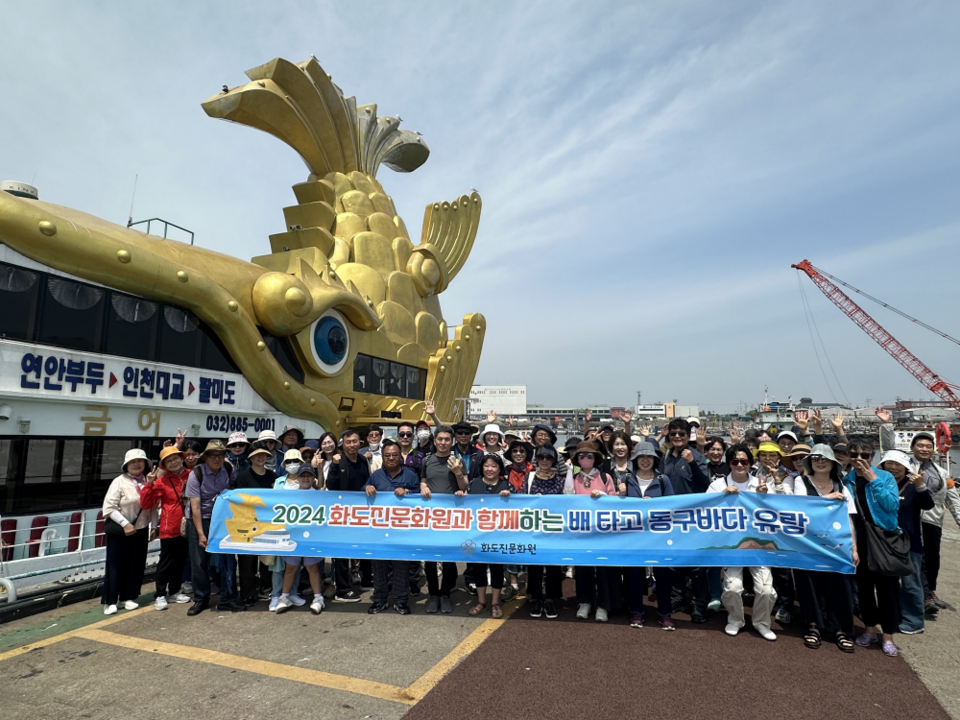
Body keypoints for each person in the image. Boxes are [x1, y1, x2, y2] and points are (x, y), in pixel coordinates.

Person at [879, 412, 952, 617]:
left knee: (932, 559)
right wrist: (886, 425)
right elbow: (888, 450)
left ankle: (929, 593)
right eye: (920, 445)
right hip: (907, 521)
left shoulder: (941, 471)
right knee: (911, 562)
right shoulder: (903, 465)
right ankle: (920, 596)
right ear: (912, 448)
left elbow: (950, 496)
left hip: (932, 519)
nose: (924, 449)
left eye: (929, 446)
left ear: (934, 449)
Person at [708, 443, 778, 641]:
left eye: (744, 461)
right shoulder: (718, 485)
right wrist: (721, 497)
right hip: (731, 545)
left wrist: (765, 496)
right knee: (732, 587)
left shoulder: (761, 483)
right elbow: (704, 510)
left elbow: (778, 512)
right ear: (729, 463)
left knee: (766, 589)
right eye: (735, 461)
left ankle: (762, 622)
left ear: (750, 463)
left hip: (759, 544)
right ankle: (735, 619)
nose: (740, 465)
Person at [793, 444, 858, 653]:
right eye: (815, 459)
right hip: (808, 543)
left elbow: (849, 517)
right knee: (809, 584)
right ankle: (813, 626)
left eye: (825, 459)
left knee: (839, 584)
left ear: (833, 464)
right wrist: (826, 499)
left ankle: (839, 628)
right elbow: (800, 508)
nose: (820, 462)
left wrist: (854, 547)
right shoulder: (801, 481)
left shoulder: (842, 486)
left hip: (836, 545)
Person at [845, 438, 902, 657]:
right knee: (865, 590)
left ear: (873, 456)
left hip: (884, 540)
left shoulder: (885, 477)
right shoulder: (846, 480)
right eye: (854, 455)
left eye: (864, 455)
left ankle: (888, 635)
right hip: (860, 543)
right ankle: (869, 630)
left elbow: (891, 505)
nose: (859, 459)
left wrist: (873, 479)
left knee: (888, 591)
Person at [619, 443, 676, 630]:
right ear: (635, 460)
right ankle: (637, 612)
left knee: (663, 576)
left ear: (655, 459)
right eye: (641, 457)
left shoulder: (662, 480)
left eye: (649, 457)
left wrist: (655, 505)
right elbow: (618, 509)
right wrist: (621, 496)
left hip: (658, 535)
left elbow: (672, 506)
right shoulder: (626, 479)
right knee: (634, 575)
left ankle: (665, 614)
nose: (645, 460)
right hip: (633, 536)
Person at [184, 440, 244, 616]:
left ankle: (228, 598)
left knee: (228, 560)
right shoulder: (196, 474)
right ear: (206, 457)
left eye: (221, 455)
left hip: (222, 519)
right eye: (213, 455)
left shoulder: (228, 469)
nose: (217, 459)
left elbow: (233, 490)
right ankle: (200, 598)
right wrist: (201, 534)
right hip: (199, 520)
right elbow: (195, 507)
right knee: (199, 562)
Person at [878, 449, 933, 635]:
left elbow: (928, 505)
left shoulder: (911, 485)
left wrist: (921, 486)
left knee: (910, 582)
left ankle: (915, 621)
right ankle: (896, 615)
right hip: (884, 541)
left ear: (906, 468)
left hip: (910, 541)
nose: (893, 468)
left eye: (898, 464)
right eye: (889, 463)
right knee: (890, 582)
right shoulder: (879, 484)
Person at [660, 418, 709, 623]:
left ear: (688, 435)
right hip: (670, 517)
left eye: (681, 433)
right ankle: (678, 597)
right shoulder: (665, 457)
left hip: (693, 517)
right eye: (673, 434)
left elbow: (705, 483)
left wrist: (691, 462)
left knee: (697, 565)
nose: (677, 437)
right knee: (673, 561)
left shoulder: (696, 456)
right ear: (668, 435)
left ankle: (699, 605)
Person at [364, 439, 419, 615]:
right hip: (379, 531)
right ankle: (379, 600)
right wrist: (368, 487)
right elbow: (361, 493)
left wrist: (408, 492)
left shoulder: (410, 475)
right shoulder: (375, 475)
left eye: (395, 454)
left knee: (401, 567)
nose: (391, 458)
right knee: (378, 567)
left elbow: (421, 498)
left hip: (402, 531)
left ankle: (401, 601)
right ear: (383, 457)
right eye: (387, 455)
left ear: (400, 457)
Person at [101, 449, 157, 615]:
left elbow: (152, 505)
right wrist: (125, 524)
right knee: (115, 565)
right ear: (126, 465)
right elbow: (109, 507)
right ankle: (110, 600)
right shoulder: (119, 482)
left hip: (140, 529)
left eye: (140, 461)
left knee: (136, 564)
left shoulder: (147, 482)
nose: (137, 464)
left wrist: (153, 526)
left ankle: (129, 597)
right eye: (133, 462)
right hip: (121, 530)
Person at [419, 425, 467, 613]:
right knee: (430, 559)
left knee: (448, 558)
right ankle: (433, 595)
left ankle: (445, 594)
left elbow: (464, 486)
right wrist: (423, 486)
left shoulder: (458, 460)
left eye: (447, 439)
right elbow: (423, 479)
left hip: (451, 516)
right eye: (440, 439)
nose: (443, 443)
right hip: (430, 517)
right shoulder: (427, 459)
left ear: (452, 441)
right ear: (435, 440)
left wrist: (457, 473)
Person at [139, 446, 192, 611]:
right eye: (169, 461)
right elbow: (146, 504)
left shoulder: (192, 475)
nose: (173, 462)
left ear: (181, 458)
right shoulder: (161, 481)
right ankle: (160, 594)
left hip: (189, 524)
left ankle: (174, 591)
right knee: (166, 562)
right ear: (164, 465)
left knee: (181, 560)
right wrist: (148, 485)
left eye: (175, 458)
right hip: (170, 526)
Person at [569, 441, 617, 622]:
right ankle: (584, 602)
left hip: (602, 531)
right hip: (581, 531)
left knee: (603, 568)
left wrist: (603, 496)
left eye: (590, 455)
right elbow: (566, 500)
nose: (586, 459)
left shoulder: (605, 477)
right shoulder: (573, 478)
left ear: (596, 458)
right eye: (581, 456)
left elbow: (614, 502)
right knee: (582, 567)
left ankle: (603, 605)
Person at [461, 454, 512, 618]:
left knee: (497, 569)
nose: (490, 469)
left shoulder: (507, 486)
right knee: (478, 569)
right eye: (487, 466)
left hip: (498, 537)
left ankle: (496, 602)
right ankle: (481, 601)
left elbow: (518, 508)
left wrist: (510, 497)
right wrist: (460, 496)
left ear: (499, 468)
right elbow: (465, 506)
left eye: (494, 466)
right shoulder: (473, 484)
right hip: (477, 535)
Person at [326, 429, 371, 601]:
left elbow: (367, 481)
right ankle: (342, 590)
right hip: (342, 512)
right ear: (342, 445)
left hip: (361, 511)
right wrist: (334, 466)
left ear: (360, 443)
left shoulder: (362, 460)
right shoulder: (338, 462)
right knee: (342, 551)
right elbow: (331, 486)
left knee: (365, 547)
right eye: (348, 442)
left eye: (355, 441)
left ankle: (367, 580)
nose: (352, 445)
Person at [275, 464, 325, 615]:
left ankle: (318, 598)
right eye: (302, 475)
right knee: (290, 567)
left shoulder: (321, 495)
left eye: (308, 475)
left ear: (313, 477)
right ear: (296, 477)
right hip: (294, 537)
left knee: (313, 568)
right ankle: (284, 597)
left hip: (313, 538)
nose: (305, 478)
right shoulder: (289, 496)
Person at [522, 444, 564, 619]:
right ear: (536, 460)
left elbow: (565, 503)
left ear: (553, 460)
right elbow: (522, 499)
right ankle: (537, 598)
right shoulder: (529, 478)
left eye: (548, 458)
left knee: (553, 565)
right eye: (541, 458)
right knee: (535, 565)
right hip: (534, 527)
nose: (544, 461)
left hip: (554, 528)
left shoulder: (561, 480)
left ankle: (551, 599)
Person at [235, 443, 278, 606]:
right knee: (247, 562)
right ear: (250, 457)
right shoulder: (243, 477)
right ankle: (247, 594)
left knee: (268, 560)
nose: (261, 457)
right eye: (257, 455)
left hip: (267, 525)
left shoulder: (273, 477)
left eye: (264, 454)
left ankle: (266, 589)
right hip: (247, 525)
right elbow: (240, 502)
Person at [502, 438, 533, 599]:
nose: (518, 454)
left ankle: (529, 585)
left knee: (529, 549)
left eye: (522, 451)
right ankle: (512, 584)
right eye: (515, 451)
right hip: (510, 517)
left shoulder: (534, 471)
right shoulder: (505, 471)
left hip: (530, 517)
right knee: (511, 549)